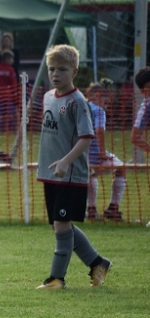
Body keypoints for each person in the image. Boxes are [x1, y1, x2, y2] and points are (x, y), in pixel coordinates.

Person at [34, 44, 111, 290]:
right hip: (50, 173)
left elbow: (86, 138)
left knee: (61, 225)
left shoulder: (78, 101)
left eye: (62, 69)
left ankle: (56, 279)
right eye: (51, 69)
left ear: (75, 72)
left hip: (69, 175)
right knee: (60, 224)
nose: (55, 74)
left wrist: (66, 161)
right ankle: (98, 263)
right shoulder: (48, 97)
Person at [86, 82, 126, 222]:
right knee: (121, 168)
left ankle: (91, 210)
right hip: (94, 154)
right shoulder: (98, 110)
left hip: (78, 156)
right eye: (106, 102)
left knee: (90, 174)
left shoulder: (78, 108)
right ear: (97, 96)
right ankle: (113, 208)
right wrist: (102, 153)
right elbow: (99, 131)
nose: (106, 106)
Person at [0, 50, 18, 133]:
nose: (13, 61)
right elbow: (14, 85)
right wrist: (16, 99)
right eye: (12, 59)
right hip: (8, 97)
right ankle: (9, 132)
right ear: (7, 59)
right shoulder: (10, 70)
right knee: (10, 116)